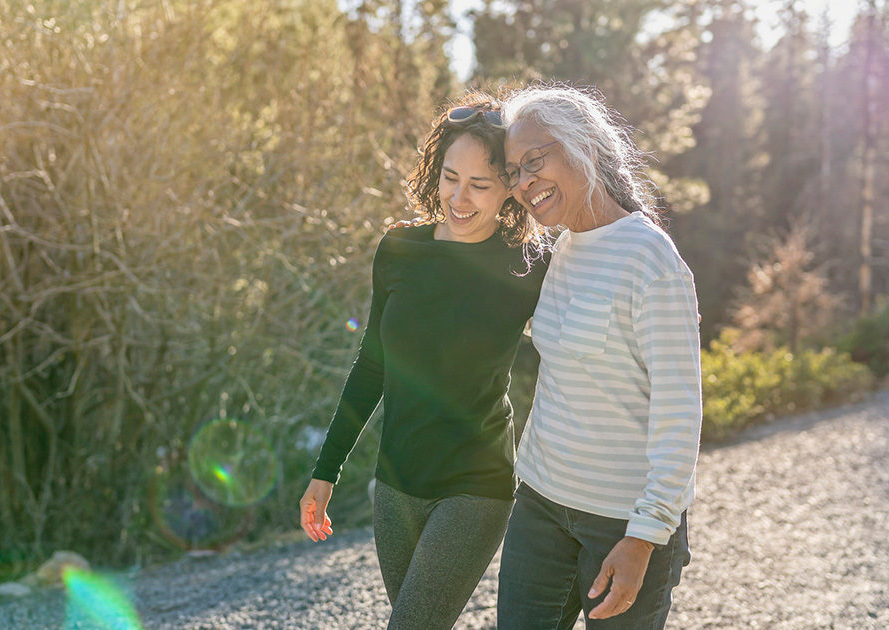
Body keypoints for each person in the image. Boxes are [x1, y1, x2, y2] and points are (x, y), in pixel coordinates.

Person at [299, 93, 549, 629]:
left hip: (476, 484)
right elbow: (372, 365)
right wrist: (327, 471)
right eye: (450, 177)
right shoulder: (399, 250)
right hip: (395, 484)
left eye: (480, 185)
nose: (459, 198)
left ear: (510, 187)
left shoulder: (528, 266)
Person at [495, 84, 702, 629]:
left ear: (584, 143)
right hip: (539, 505)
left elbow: (679, 414)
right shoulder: (558, 250)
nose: (523, 183)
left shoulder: (651, 260)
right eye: (514, 170)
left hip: (622, 524)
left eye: (534, 160)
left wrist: (645, 537)